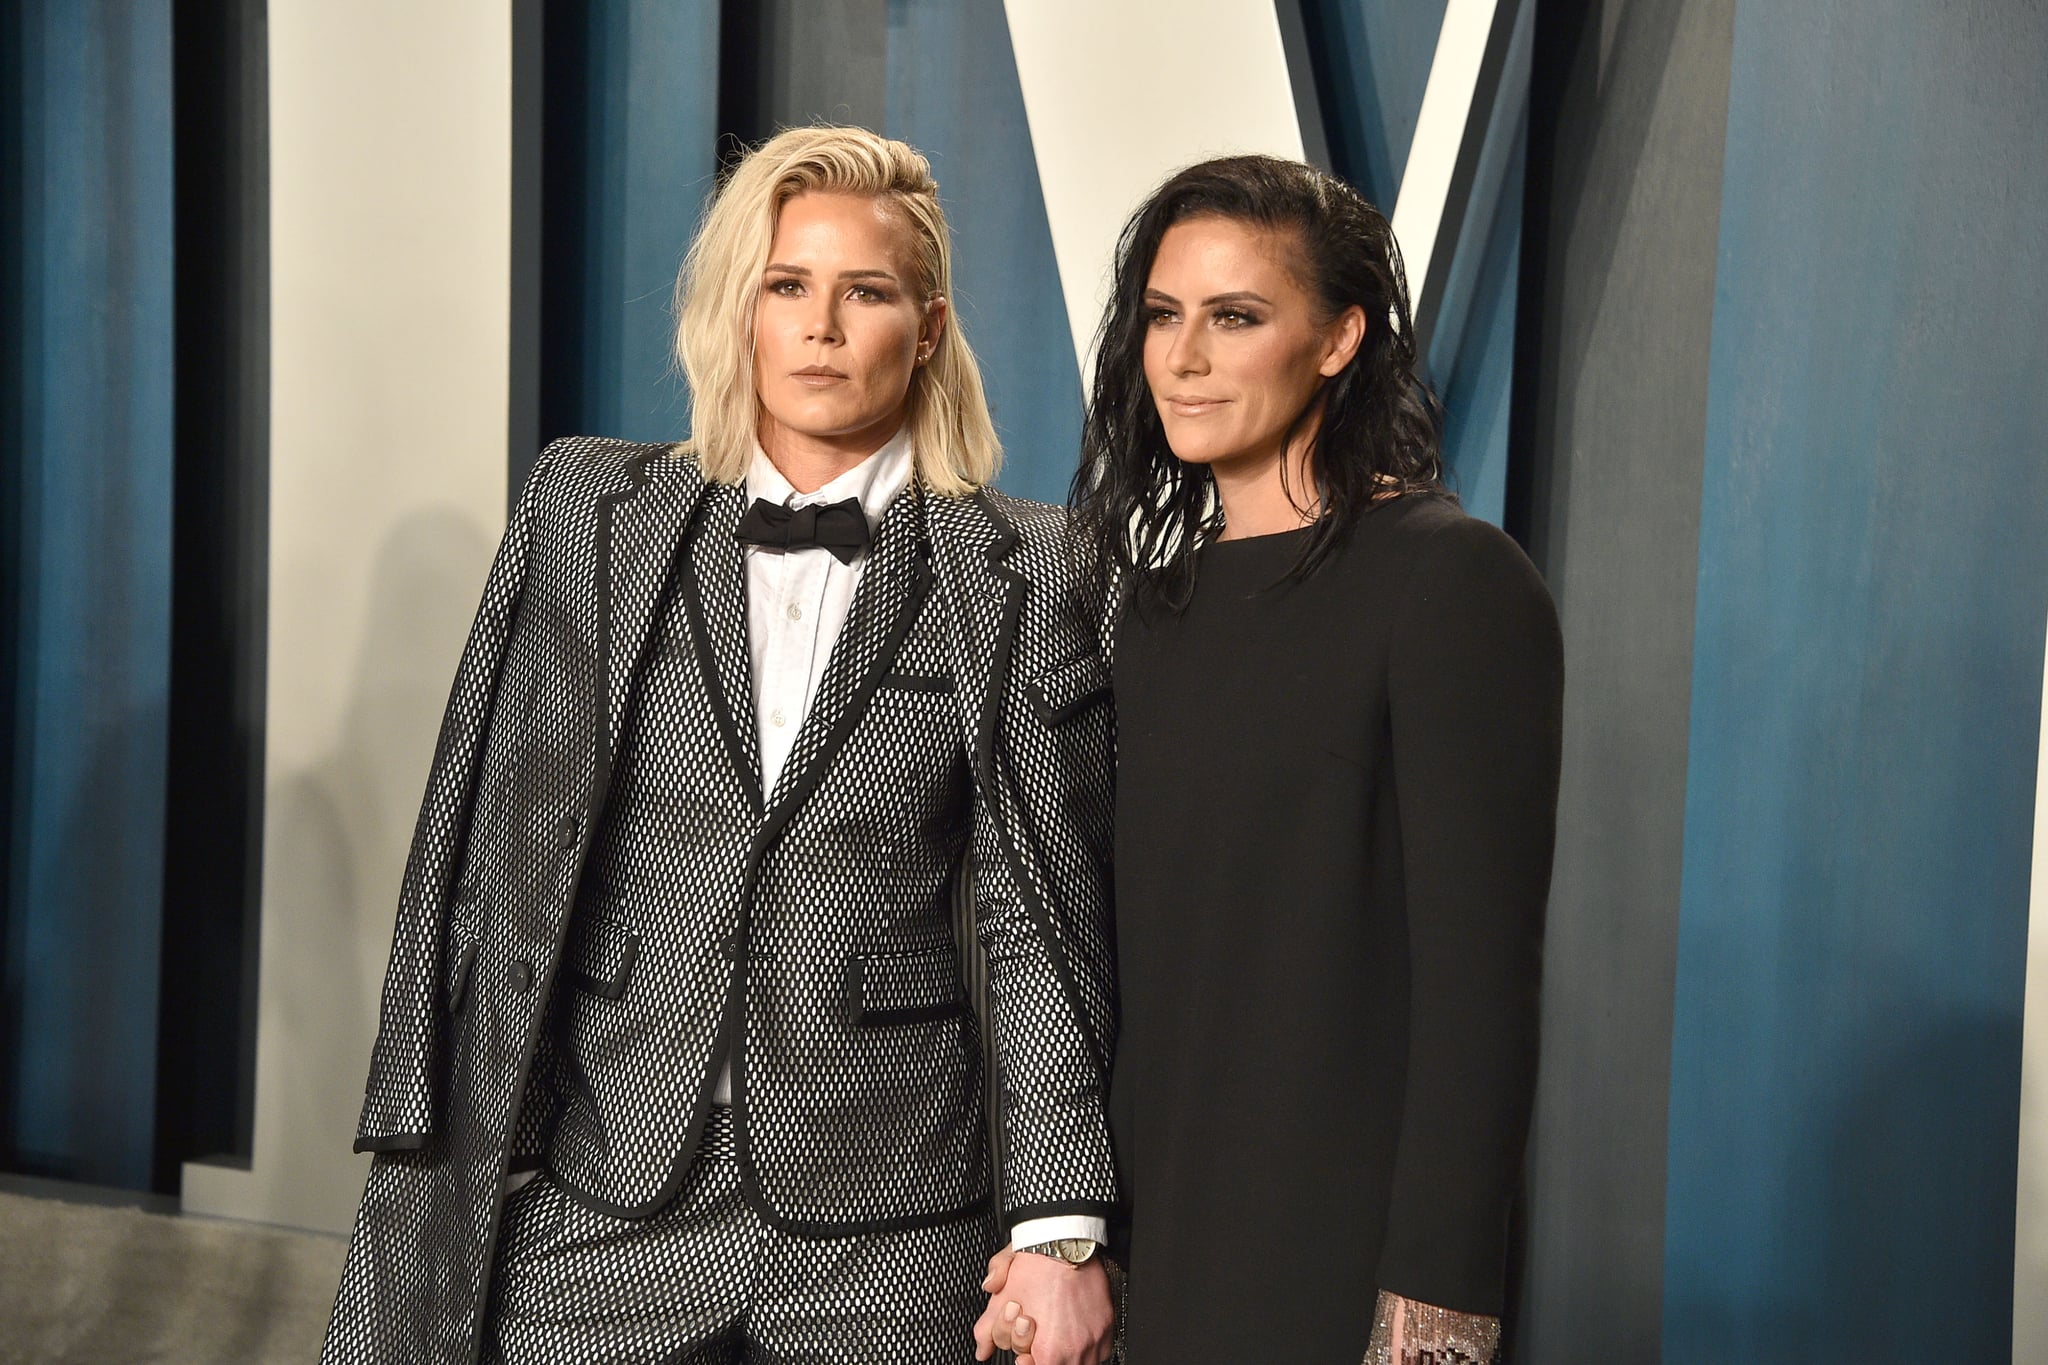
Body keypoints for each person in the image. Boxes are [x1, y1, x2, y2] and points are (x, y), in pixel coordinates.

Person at [322, 125, 1118, 1365]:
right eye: (785, 286)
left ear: (927, 325)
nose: (821, 326)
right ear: (738, 309)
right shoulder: (588, 510)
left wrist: (1061, 1227)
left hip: (886, 1220)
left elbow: (1034, 911)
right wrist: (445, 1129)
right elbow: (484, 843)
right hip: (603, 1192)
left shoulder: (1019, 564)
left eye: (866, 292)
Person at [984, 155, 1561, 1363]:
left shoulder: (1450, 582)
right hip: (1164, 1245)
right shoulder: (1149, 608)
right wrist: (1084, 1242)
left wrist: (1435, 1306)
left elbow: (1478, 991)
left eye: (1235, 317)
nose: (1184, 357)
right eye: (1162, 315)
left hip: (1345, 1261)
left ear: (1339, 338)